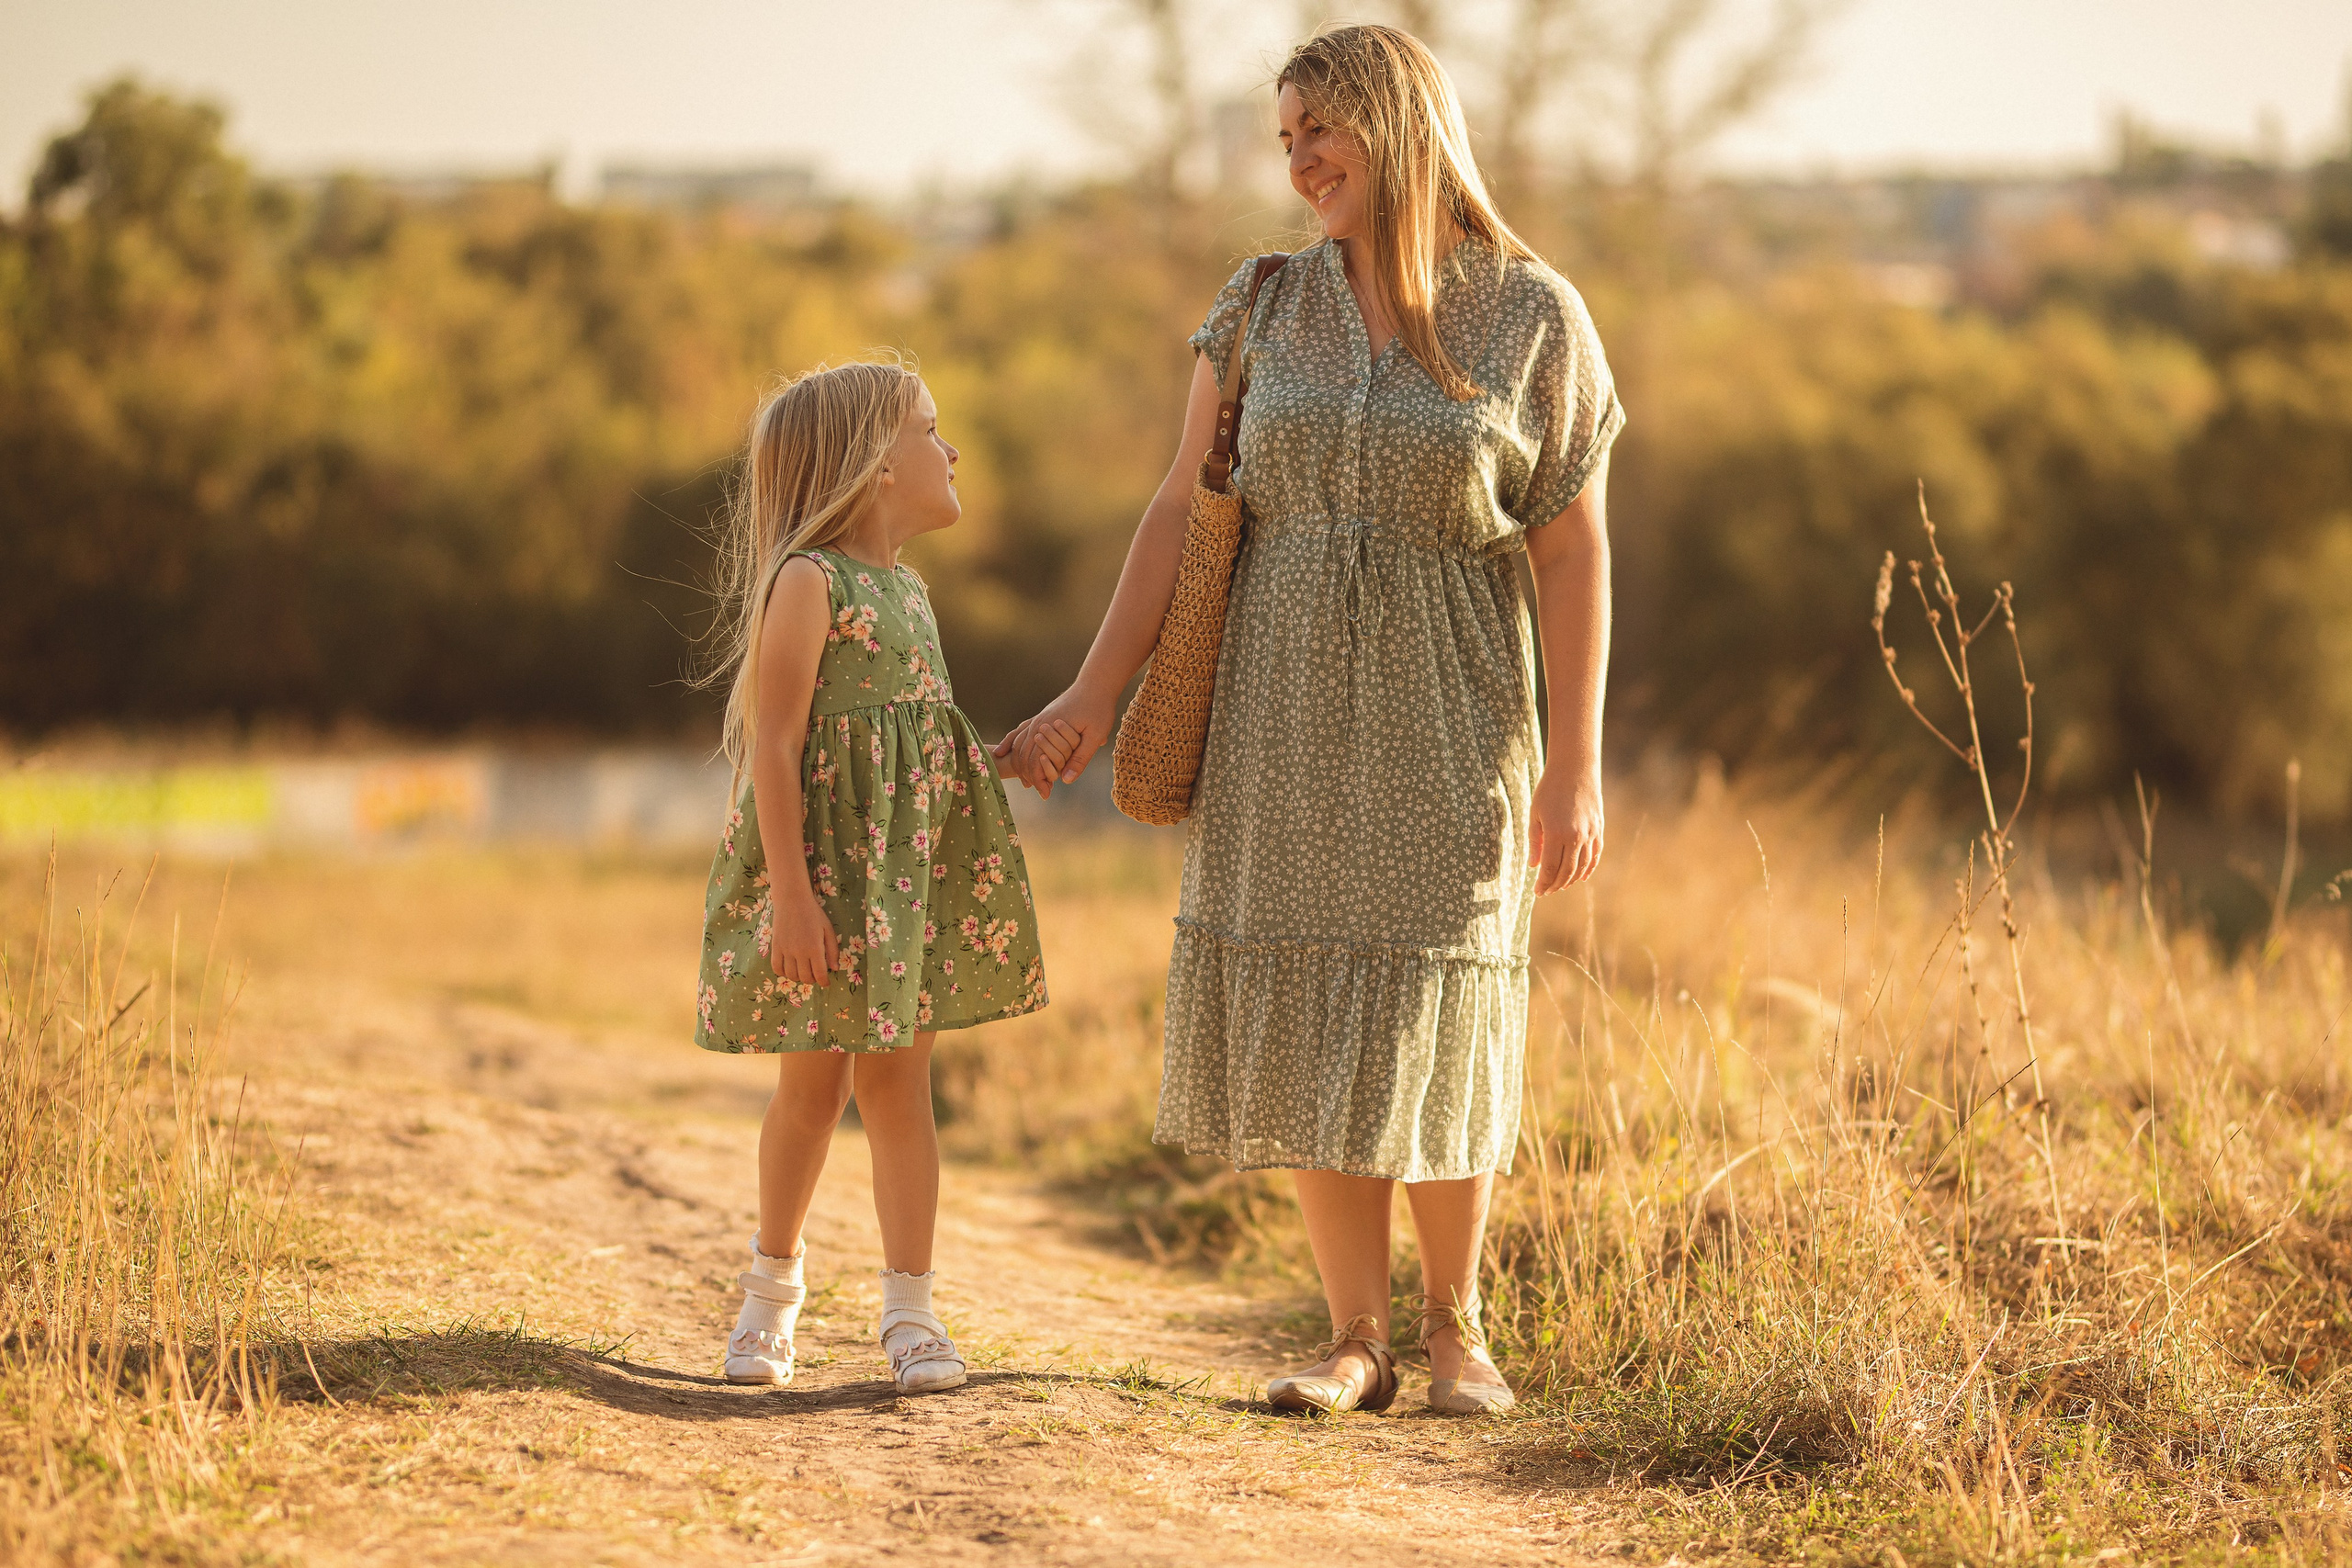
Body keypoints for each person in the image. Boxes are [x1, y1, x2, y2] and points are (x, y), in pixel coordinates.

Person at [996, 24, 1621, 1416]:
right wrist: (1095, 693)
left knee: (1435, 1000)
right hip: (1277, 711)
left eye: (1318, 131)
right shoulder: (1265, 302)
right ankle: (1353, 1336)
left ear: (1396, 122)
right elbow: (1179, 508)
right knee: (1315, 999)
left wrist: (1577, 761)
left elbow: (1573, 553)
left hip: (1455, 714)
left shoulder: (1531, 311)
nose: (1299, 164)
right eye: (1284, 141)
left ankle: (1460, 1333)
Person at [696, 356, 1048, 1395]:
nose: (950, 451)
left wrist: (998, 759)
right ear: (875, 466)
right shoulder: (810, 582)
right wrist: (796, 902)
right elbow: (776, 747)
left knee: (900, 1087)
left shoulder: (908, 592)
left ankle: (910, 1311)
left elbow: (908, 755)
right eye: (930, 431)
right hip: (829, 885)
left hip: (906, 886)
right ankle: (770, 1298)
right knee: (811, 1093)